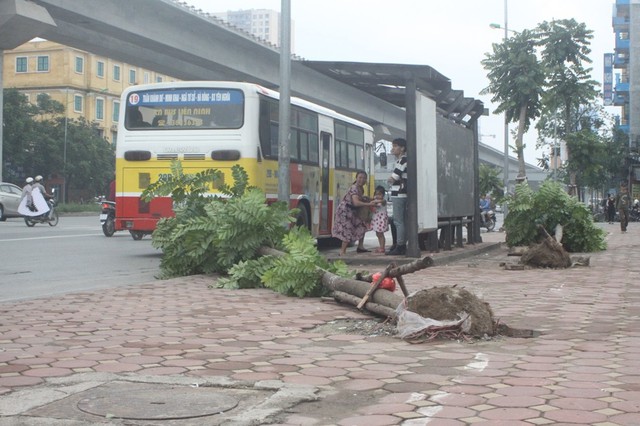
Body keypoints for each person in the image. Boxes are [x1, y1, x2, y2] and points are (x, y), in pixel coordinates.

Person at [332, 170, 380, 256]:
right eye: (360, 178)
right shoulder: (354, 188)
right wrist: (369, 204)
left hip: (353, 211)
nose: (362, 180)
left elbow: (359, 198)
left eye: (364, 178)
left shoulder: (361, 188)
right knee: (347, 230)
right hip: (345, 211)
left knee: (362, 225)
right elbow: (356, 202)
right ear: (356, 178)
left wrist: (367, 198)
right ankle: (342, 252)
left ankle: (360, 247)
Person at [386, 138, 408, 255]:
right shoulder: (401, 161)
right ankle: (398, 244)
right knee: (397, 220)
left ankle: (400, 245)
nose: (392, 148)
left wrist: (390, 179)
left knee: (398, 221)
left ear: (402, 148)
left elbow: (393, 178)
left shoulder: (402, 161)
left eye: (395, 146)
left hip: (399, 194)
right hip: (400, 193)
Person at [371, 186, 390, 253]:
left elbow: (382, 201)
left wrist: (375, 200)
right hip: (376, 219)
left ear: (383, 195)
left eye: (379, 194)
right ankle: (381, 246)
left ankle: (382, 247)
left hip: (381, 219)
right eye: (376, 194)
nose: (378, 196)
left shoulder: (383, 201)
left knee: (380, 234)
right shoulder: (375, 202)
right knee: (378, 234)